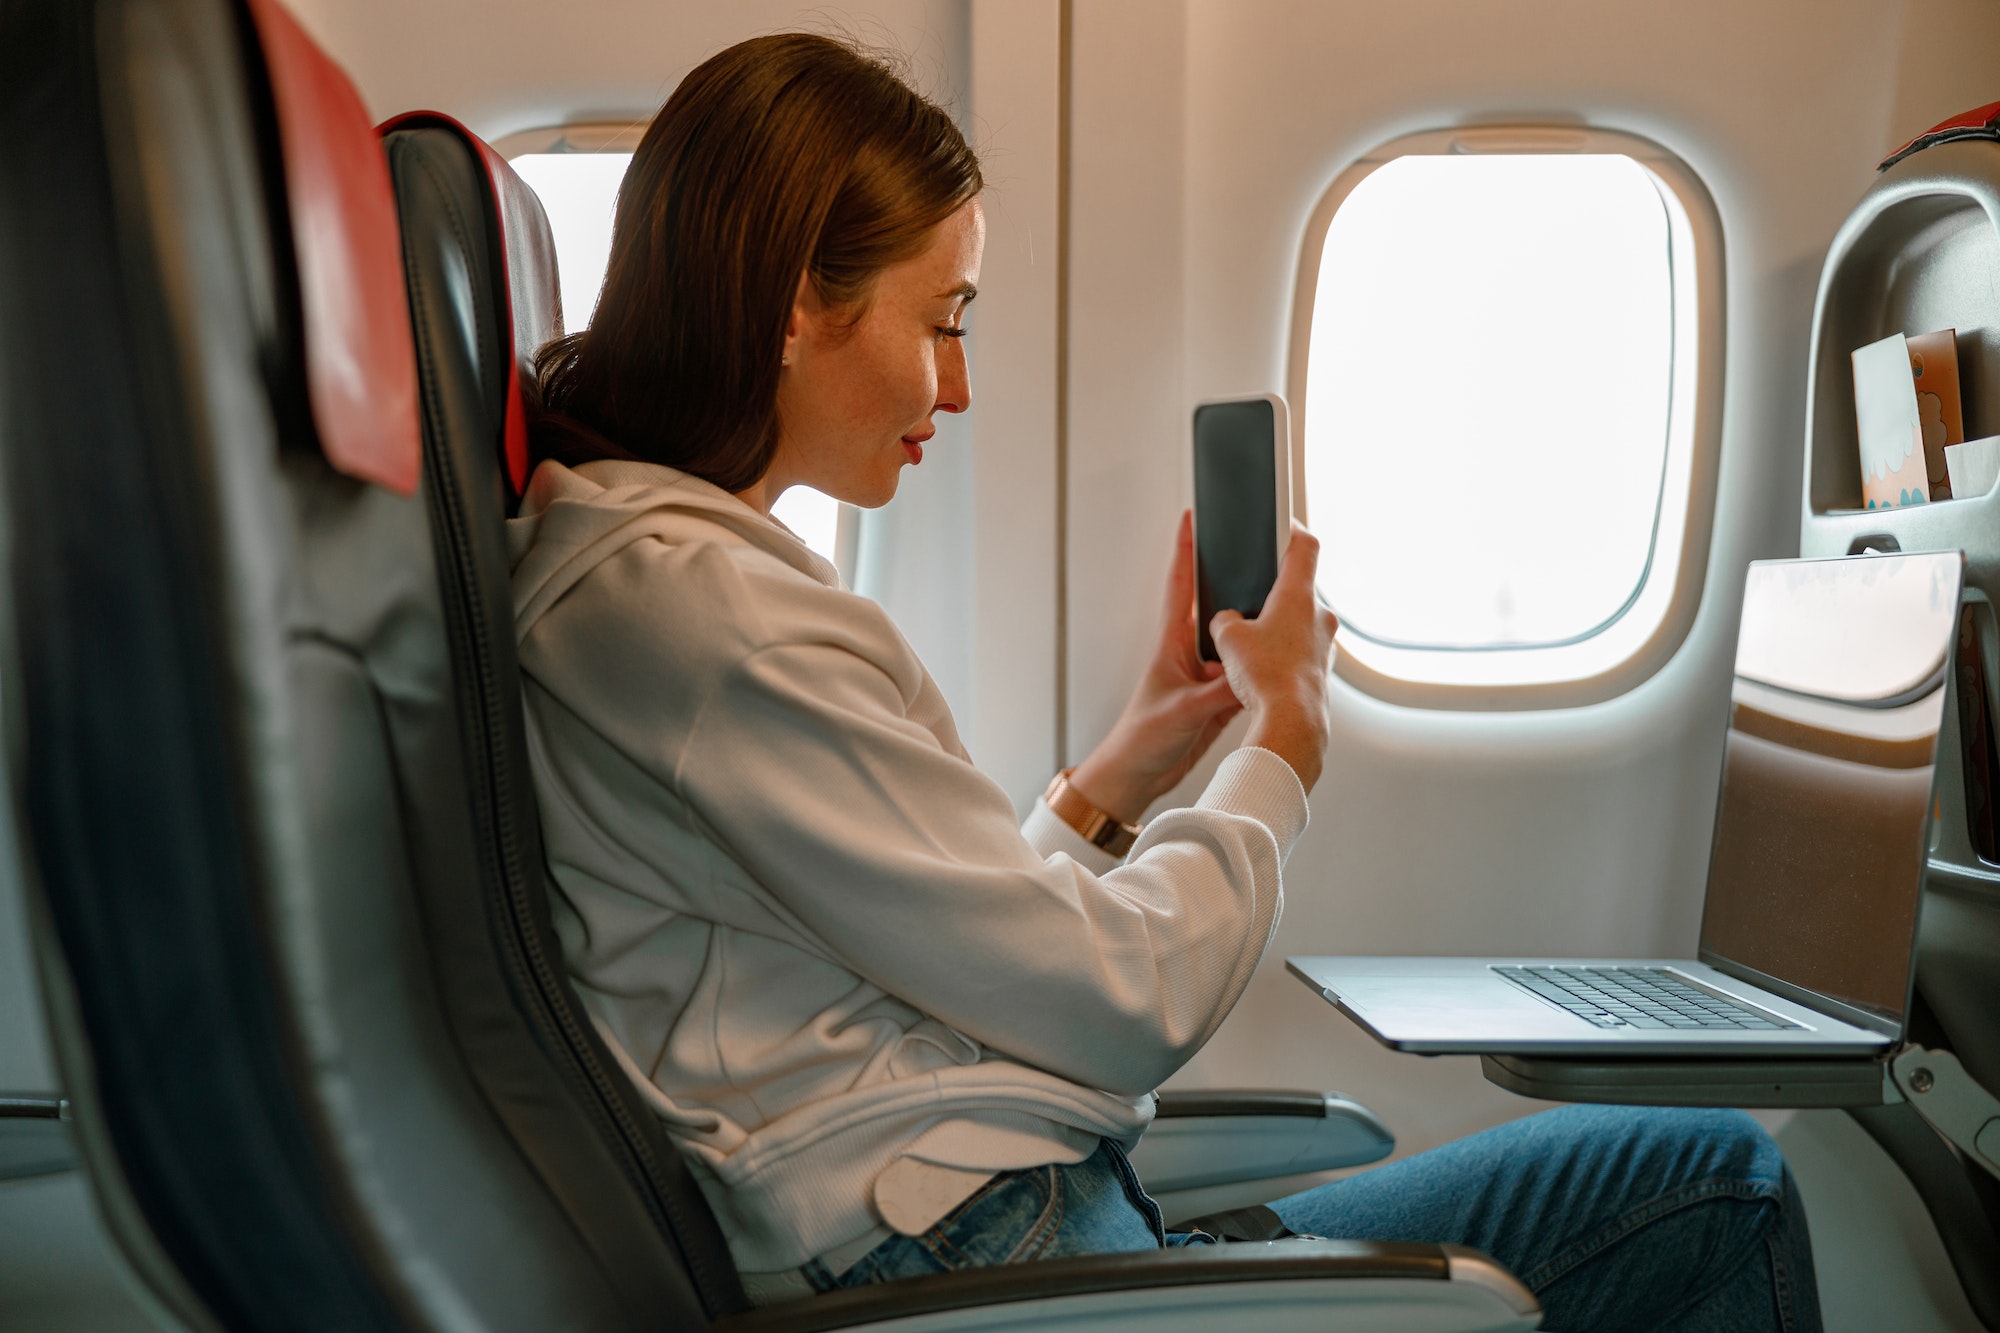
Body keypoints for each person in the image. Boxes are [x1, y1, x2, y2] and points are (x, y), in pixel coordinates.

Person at [508, 32, 1821, 1332]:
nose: (957, 386)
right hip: (977, 1268)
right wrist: (1284, 747)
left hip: (997, 1232)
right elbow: (1121, 1000)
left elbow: (947, 942)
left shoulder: (663, 580)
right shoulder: (712, 622)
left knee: (1685, 1166)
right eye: (943, 320)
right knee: (1722, 1183)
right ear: (798, 298)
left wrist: (1137, 757)